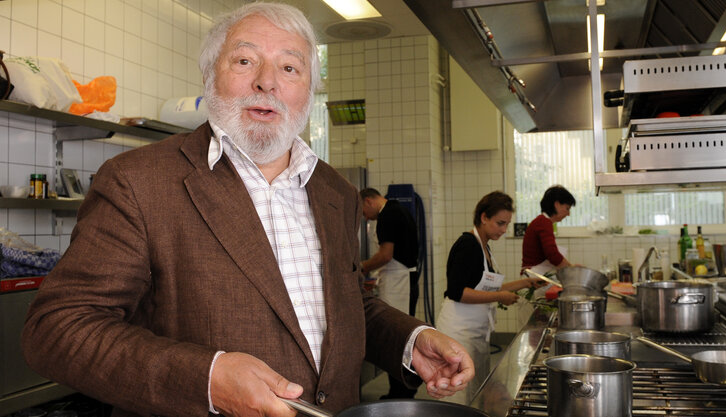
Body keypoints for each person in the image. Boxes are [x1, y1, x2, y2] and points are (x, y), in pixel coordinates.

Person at [20, 3, 474, 417]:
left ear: (309, 91)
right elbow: (58, 329)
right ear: (208, 76)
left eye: (290, 67)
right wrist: (207, 379)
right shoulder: (138, 181)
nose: (267, 81)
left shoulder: (334, 191)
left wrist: (410, 340)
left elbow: (347, 304)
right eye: (244, 60)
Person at [435, 191, 546, 405]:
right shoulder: (467, 246)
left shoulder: (484, 246)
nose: (504, 230)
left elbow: (485, 288)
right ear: (484, 217)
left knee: (475, 391)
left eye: (507, 224)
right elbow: (458, 292)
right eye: (500, 223)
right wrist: (500, 296)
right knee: (458, 394)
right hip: (459, 330)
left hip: (476, 331)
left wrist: (525, 283)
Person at [359, 187, 421, 399]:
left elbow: (385, 255)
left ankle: (400, 393)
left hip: (399, 282)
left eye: (363, 211)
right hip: (405, 279)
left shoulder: (387, 216)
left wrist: (361, 267)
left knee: (395, 336)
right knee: (401, 333)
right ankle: (399, 390)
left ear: (369, 201)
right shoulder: (399, 210)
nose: (364, 217)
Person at [521, 185, 576, 276]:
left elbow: (552, 253)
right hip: (533, 276)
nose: (568, 214)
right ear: (557, 204)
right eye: (567, 208)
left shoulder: (543, 221)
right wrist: (572, 269)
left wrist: (571, 267)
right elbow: (553, 255)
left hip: (534, 274)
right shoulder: (543, 223)